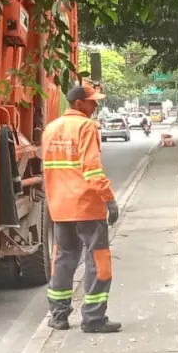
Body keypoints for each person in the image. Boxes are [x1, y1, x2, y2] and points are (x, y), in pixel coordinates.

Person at [41, 83, 122, 334]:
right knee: (97, 260)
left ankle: (59, 315)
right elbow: (92, 169)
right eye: (92, 102)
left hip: (60, 207)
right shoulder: (87, 126)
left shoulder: (50, 129)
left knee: (63, 259)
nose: (96, 106)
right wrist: (109, 199)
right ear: (79, 104)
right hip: (87, 205)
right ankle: (93, 318)